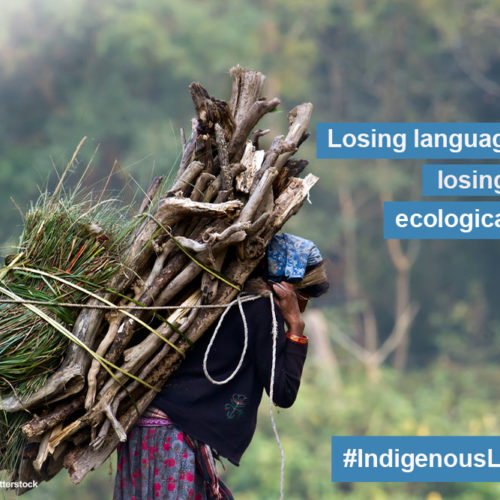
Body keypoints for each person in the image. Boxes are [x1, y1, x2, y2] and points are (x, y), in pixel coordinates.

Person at [113, 233, 329, 499]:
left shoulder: (224, 293)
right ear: (286, 287)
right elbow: (283, 391)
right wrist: (296, 328)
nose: (303, 306)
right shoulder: (262, 310)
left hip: (146, 429)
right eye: (303, 295)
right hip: (173, 438)